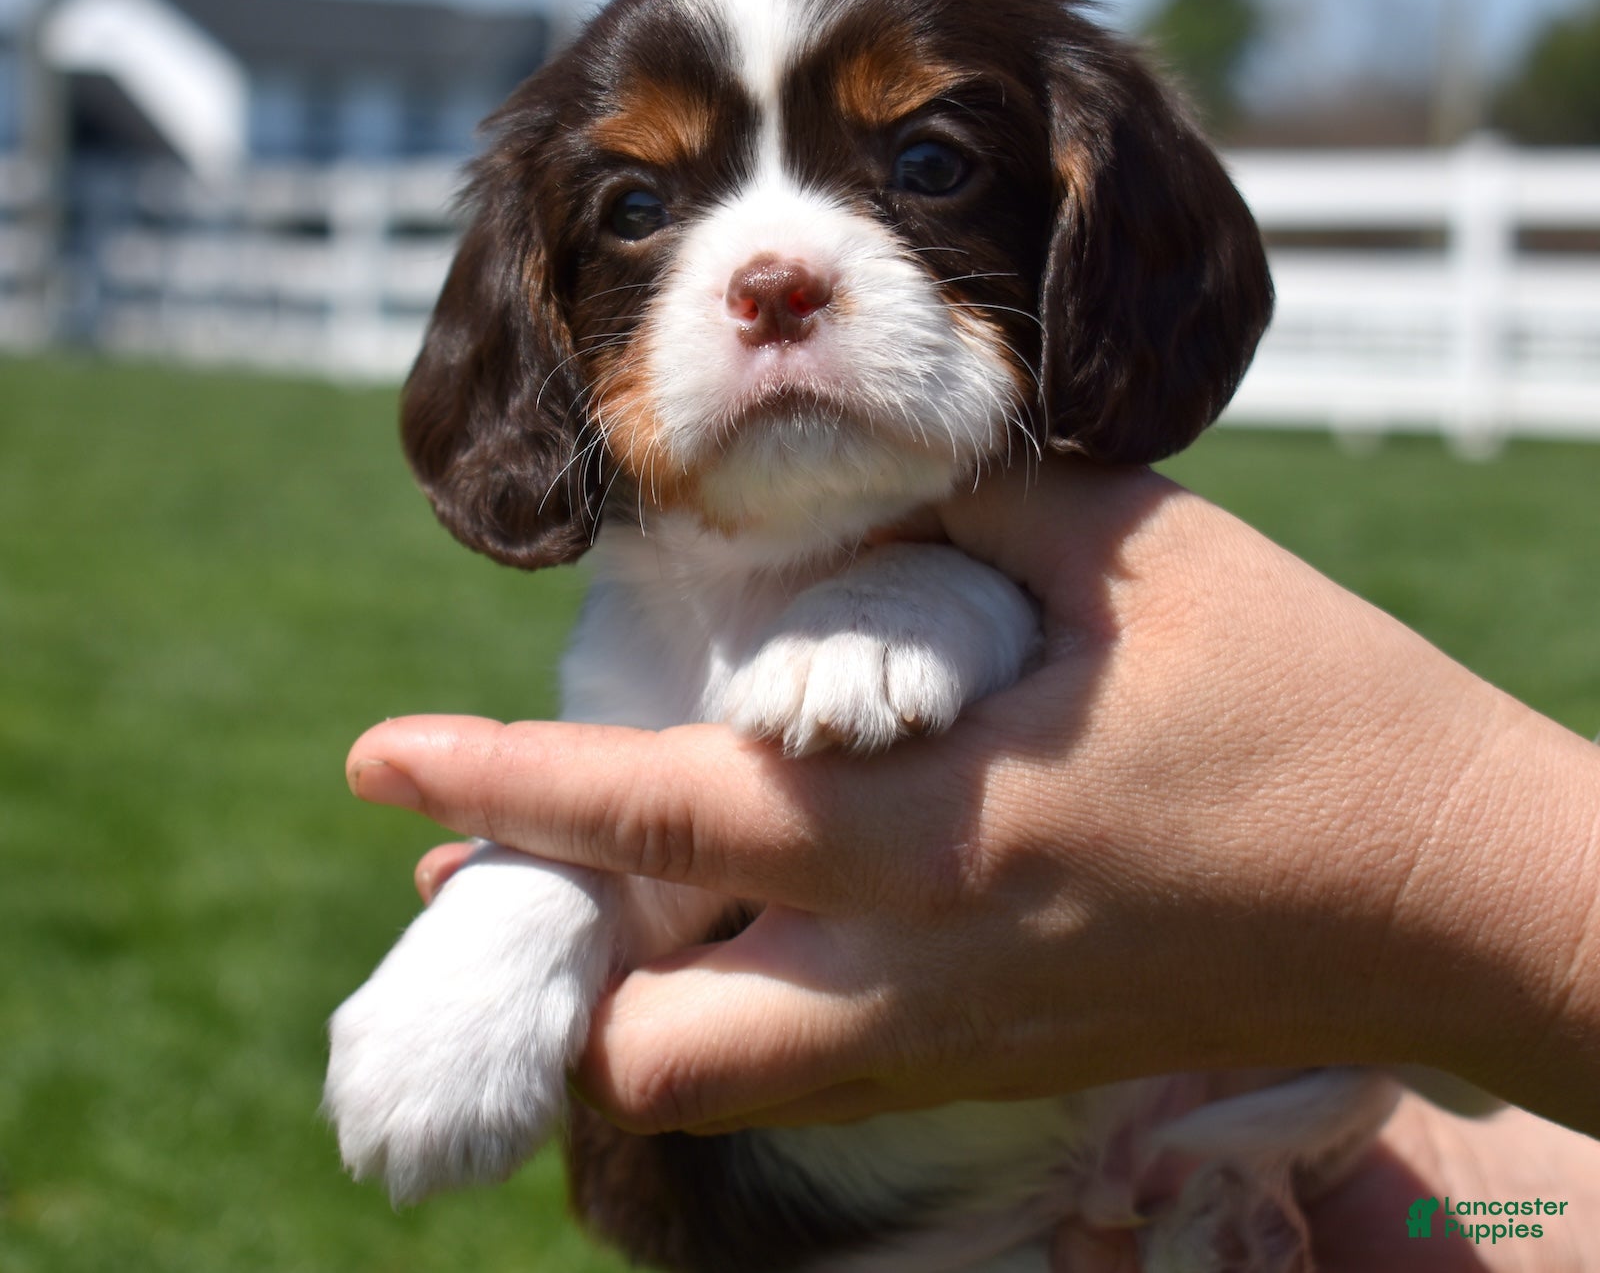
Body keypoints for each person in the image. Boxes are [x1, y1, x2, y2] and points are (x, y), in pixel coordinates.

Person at [346, 458, 1600, 1271]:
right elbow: (1510, 1194)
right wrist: (1453, 1198)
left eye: (927, 172)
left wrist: (1445, 877)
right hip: (1433, 1195)